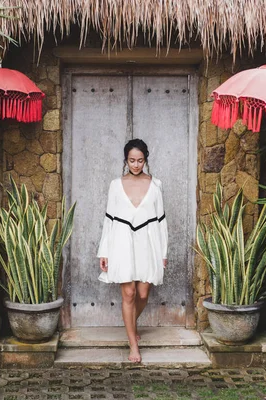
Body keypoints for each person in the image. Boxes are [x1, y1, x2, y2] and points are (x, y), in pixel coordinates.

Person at [97, 138, 168, 363]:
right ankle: (133, 344)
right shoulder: (115, 184)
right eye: (131, 161)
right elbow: (108, 220)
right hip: (121, 241)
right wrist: (104, 252)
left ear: (145, 160)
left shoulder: (156, 184)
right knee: (128, 293)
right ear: (125, 160)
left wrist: (163, 253)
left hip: (149, 242)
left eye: (139, 160)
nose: (135, 165)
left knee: (143, 294)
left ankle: (131, 324)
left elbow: (161, 221)